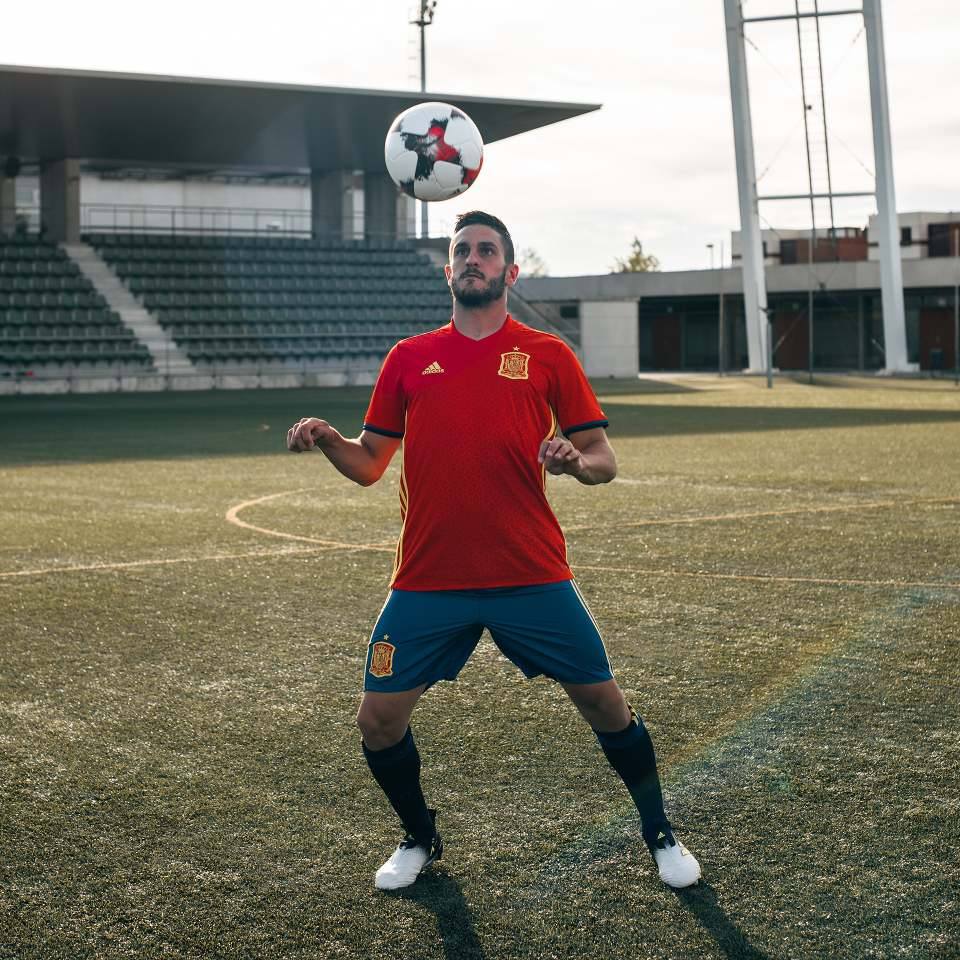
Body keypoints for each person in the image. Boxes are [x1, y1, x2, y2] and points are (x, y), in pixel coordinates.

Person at [286, 211, 700, 891]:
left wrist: (577, 464)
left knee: (605, 705)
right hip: (428, 577)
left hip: (529, 572)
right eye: (462, 251)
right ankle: (419, 836)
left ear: (510, 272)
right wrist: (331, 439)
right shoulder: (408, 357)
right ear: (448, 271)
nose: (472, 259)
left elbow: (604, 458)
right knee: (378, 720)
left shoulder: (548, 354)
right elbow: (369, 464)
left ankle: (660, 832)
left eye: (486, 251)